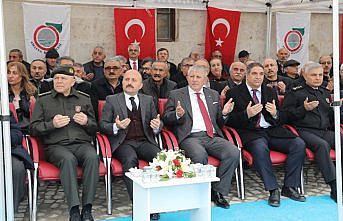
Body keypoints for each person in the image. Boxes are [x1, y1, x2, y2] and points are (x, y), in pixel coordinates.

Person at [225, 62, 306, 207]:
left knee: (298, 144)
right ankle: (273, 189)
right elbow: (228, 121)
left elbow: (281, 117)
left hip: (272, 131)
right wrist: (246, 114)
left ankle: (289, 186)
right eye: (254, 74)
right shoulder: (234, 93)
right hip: (251, 133)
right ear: (247, 75)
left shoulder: (270, 91)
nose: (258, 77)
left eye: (261, 74)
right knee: (260, 148)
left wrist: (275, 114)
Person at [163, 65, 239, 209]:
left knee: (233, 152)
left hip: (212, 135)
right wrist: (177, 114)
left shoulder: (213, 94)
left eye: (198, 77)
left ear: (205, 79)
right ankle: (201, 192)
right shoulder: (176, 94)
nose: (195, 80)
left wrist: (224, 113)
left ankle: (218, 192)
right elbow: (166, 118)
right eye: (191, 76)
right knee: (199, 155)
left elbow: (219, 122)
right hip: (190, 136)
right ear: (187, 78)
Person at [30, 65, 99, 221]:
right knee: (68, 160)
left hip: (81, 144)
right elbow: (33, 129)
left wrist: (87, 122)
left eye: (63, 78)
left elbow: (95, 128)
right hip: (56, 146)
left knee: (93, 157)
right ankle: (74, 210)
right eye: (56, 78)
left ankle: (87, 208)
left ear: (73, 81)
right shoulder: (43, 100)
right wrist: (51, 124)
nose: (59, 81)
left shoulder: (84, 98)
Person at [100, 70, 161, 220]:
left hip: (144, 140)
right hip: (123, 142)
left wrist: (157, 126)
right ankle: (139, 203)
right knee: (130, 160)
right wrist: (116, 126)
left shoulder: (148, 100)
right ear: (122, 82)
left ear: (140, 85)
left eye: (134, 80)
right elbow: (102, 125)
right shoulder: (112, 100)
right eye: (127, 79)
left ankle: (156, 201)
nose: (129, 82)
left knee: (161, 158)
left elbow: (157, 123)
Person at [282, 62, 340, 202]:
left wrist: (338, 109)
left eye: (320, 75)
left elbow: (330, 117)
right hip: (303, 130)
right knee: (322, 145)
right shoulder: (295, 92)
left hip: (324, 130)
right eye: (313, 75)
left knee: (341, 139)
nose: (318, 78)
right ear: (305, 75)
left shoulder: (325, 92)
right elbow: (285, 115)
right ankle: (334, 186)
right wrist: (304, 109)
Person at [10, 113, 34, 213]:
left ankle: (11, 210)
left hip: (7, 152)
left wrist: (4, 135)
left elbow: (18, 134)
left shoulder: (4, 111)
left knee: (18, 168)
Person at [7, 62, 36, 134]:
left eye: (14, 73)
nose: (10, 76)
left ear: (22, 75)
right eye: (8, 72)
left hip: (29, 132)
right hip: (9, 132)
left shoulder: (31, 92)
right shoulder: (3, 94)